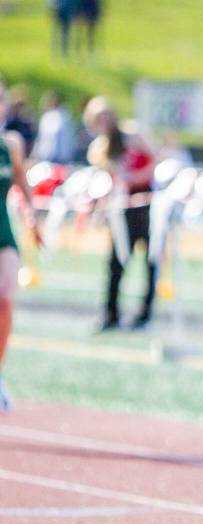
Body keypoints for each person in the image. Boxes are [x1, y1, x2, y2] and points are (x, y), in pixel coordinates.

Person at [83, 97, 157, 331]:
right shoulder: (100, 148)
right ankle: (111, 313)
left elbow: (155, 160)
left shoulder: (132, 134)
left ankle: (145, 315)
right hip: (121, 209)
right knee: (116, 260)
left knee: (151, 260)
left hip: (146, 203)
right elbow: (106, 180)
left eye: (106, 115)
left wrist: (137, 177)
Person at [0, 130, 45, 411]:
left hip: (3, 233)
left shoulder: (10, 144)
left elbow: (21, 180)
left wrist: (31, 217)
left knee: (5, 301)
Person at [31, 91, 77, 165]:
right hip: (63, 156)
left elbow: (51, 137)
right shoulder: (66, 116)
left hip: (52, 157)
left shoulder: (51, 116)